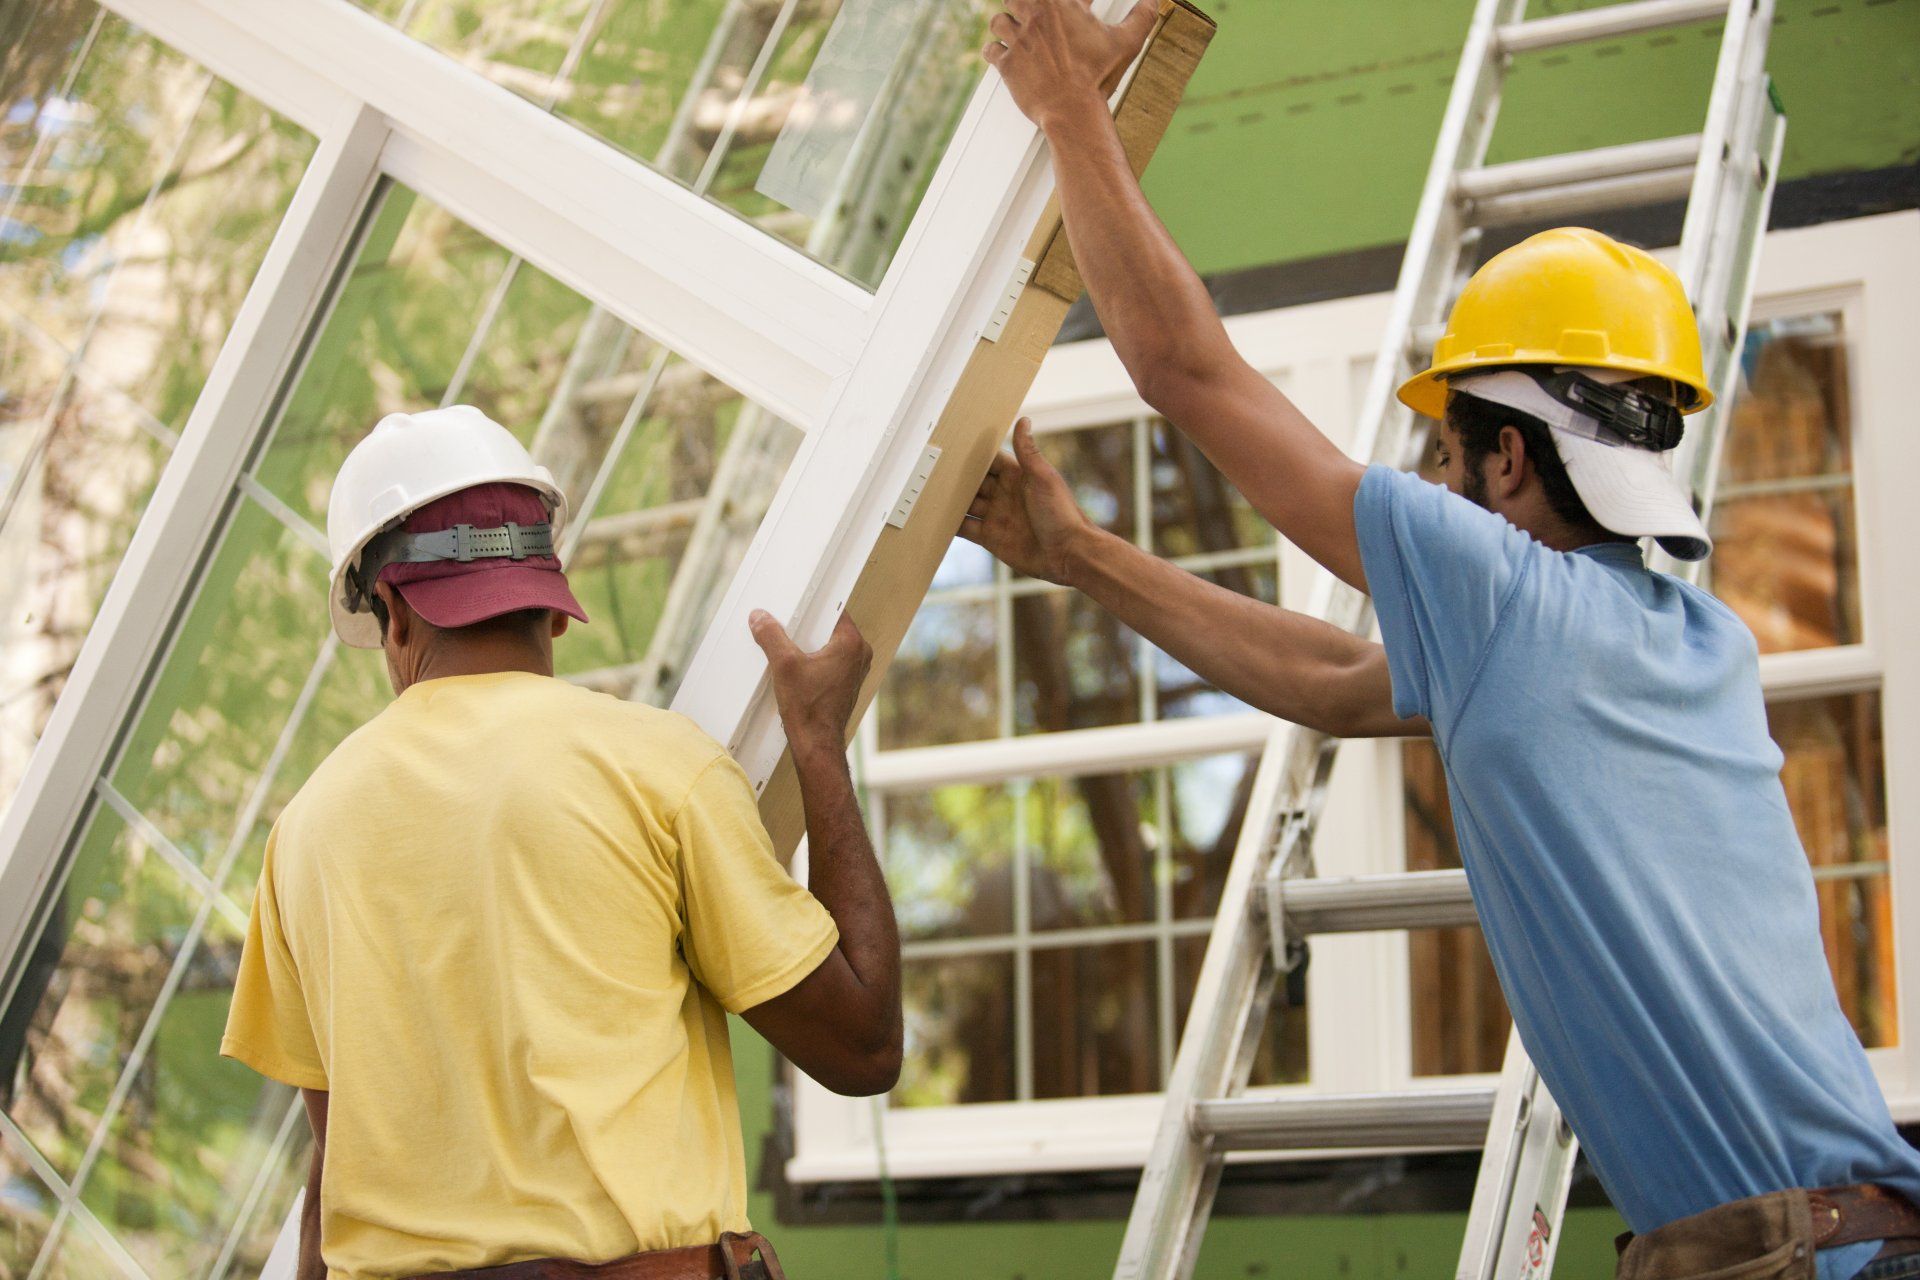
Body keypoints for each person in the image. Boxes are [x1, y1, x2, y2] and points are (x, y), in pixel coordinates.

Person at [969, 3, 1920, 1276]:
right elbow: (1332, 680)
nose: (1429, 482)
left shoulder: (1509, 598)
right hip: (1847, 1237)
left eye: (1443, 454)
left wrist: (1067, 109)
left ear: (1509, 458)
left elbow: (1183, 370)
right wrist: (1077, 554)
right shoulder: (1695, 639)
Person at [220, 405, 898, 1280]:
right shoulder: (658, 769)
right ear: (554, 607)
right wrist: (818, 741)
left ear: (391, 611)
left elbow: (333, 1174)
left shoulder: (302, 834)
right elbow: (863, 1048)